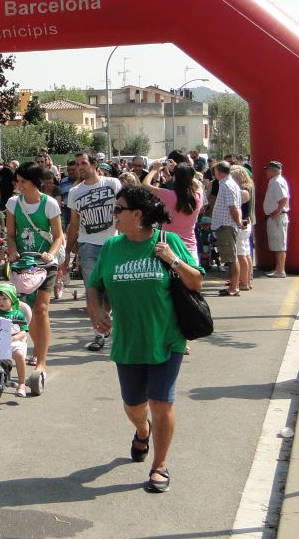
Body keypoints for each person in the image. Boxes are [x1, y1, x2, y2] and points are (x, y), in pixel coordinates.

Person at [86, 185, 204, 493]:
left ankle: (160, 465)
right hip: (128, 340)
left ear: (137, 215)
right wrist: (96, 311)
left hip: (166, 338)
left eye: (118, 210)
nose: (114, 215)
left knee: (161, 403)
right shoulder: (112, 247)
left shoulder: (169, 241)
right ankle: (142, 430)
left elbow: (196, 282)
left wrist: (173, 260)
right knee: (134, 406)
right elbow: (94, 284)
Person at [4, 161, 64, 382]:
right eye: (17, 181)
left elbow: (58, 236)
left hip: (45, 263)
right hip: (22, 264)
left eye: (23, 182)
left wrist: (51, 253)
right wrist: (12, 252)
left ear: (35, 182)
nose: (19, 186)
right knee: (23, 310)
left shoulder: (49, 204)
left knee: (41, 309)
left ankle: (41, 360)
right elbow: (11, 234)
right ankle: (23, 349)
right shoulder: (13, 203)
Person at [66, 151, 121, 352]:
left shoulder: (112, 184)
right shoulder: (75, 192)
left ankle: (109, 322)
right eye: (77, 164)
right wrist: (67, 255)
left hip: (113, 244)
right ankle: (98, 333)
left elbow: (124, 211)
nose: (80, 167)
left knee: (113, 292)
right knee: (93, 293)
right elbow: (74, 224)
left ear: (94, 164)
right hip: (87, 245)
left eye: (83, 163)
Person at [142, 161, 203, 258]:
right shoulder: (198, 197)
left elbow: (145, 185)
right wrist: (184, 172)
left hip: (168, 247)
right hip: (189, 248)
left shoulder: (167, 195)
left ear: (175, 178)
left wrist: (154, 170)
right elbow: (198, 186)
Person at [210, 161, 244, 297]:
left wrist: (238, 222)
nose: (214, 174)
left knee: (231, 258)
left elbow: (233, 207)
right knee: (230, 257)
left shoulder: (227, 185)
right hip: (226, 225)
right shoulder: (228, 184)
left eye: (215, 171)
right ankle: (233, 285)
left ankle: (234, 287)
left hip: (226, 225)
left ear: (219, 172)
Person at [262, 160, 290, 278]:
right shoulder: (275, 181)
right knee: (277, 244)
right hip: (275, 217)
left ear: (273, 171)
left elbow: (283, 198)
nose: (266, 173)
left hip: (277, 217)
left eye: (268, 170)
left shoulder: (277, 182)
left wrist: (278, 211)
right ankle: (278, 268)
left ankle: (280, 270)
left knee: (279, 245)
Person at [230, 166, 256, 291]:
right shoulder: (249, 188)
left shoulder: (242, 191)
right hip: (247, 222)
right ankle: (247, 280)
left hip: (241, 224)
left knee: (241, 254)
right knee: (246, 253)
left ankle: (244, 282)